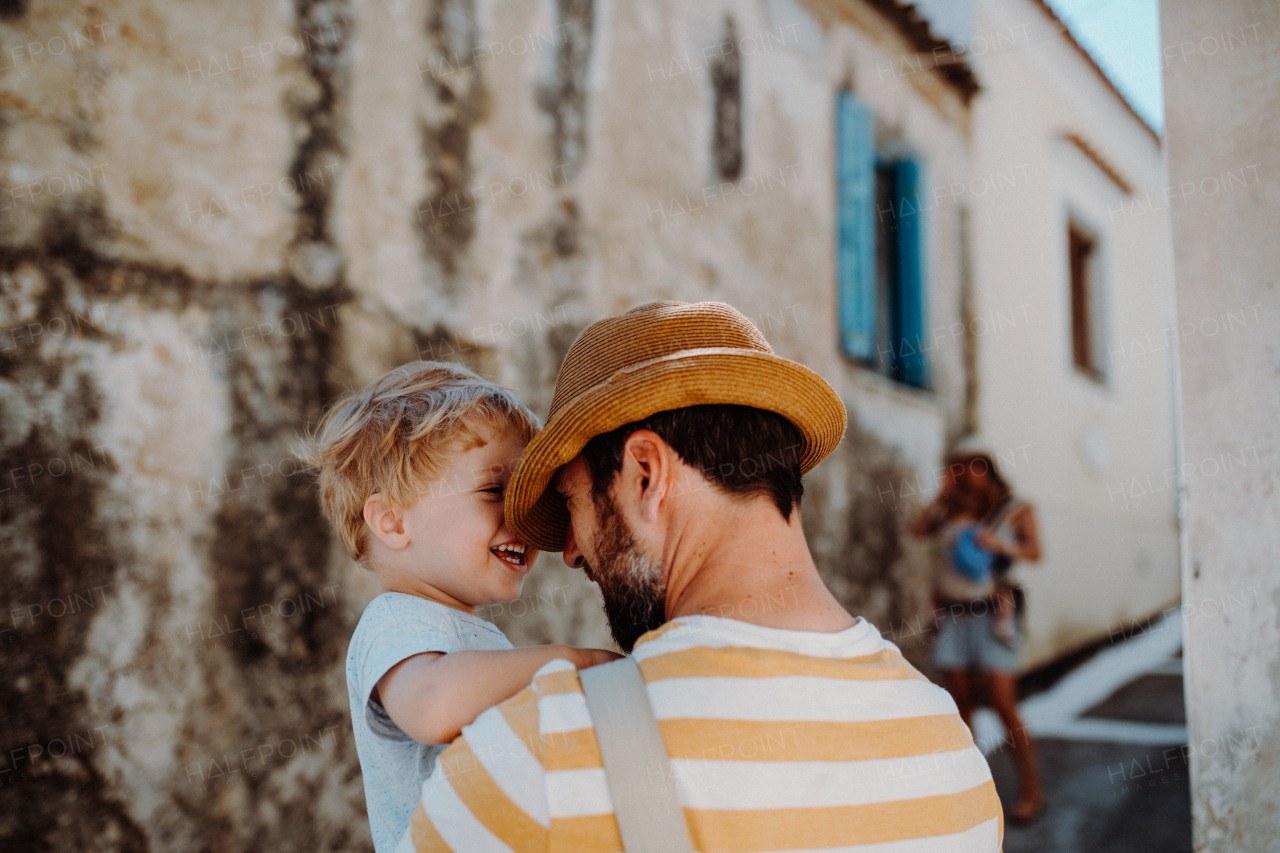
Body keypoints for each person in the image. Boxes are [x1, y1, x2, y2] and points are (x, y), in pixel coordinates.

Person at [402, 302, 1004, 852]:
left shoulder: (536, 759)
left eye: (574, 502)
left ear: (645, 474)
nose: (569, 552)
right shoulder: (949, 748)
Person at [301, 362, 618, 852]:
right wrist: (579, 663)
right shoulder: (396, 622)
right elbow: (433, 706)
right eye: (495, 490)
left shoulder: (465, 635)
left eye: (525, 498)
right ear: (392, 521)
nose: (521, 516)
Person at [911, 449, 1044, 825]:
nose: (966, 474)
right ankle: (967, 791)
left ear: (989, 468)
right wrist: (941, 494)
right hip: (953, 616)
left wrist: (1000, 544)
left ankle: (1032, 788)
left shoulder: (1013, 509)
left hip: (993, 615)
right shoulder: (946, 511)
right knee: (959, 706)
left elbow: (1034, 551)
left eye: (974, 466)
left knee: (1003, 704)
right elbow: (917, 530)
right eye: (958, 467)